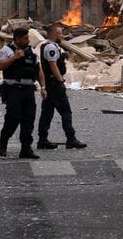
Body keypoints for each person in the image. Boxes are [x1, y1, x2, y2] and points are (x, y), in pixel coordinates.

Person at [37, 22, 87, 150]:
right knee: (66, 112)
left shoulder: (50, 46)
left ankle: (42, 140)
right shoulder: (51, 48)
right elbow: (53, 65)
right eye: (60, 34)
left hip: (49, 84)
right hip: (54, 85)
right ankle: (71, 139)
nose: (62, 36)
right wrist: (60, 81)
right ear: (54, 34)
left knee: (47, 113)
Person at [0, 27, 41, 159]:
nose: (28, 40)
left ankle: (26, 148)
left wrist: (43, 87)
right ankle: (3, 143)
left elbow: (38, 70)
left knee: (28, 119)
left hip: (28, 89)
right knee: (13, 118)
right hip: (13, 89)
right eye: (26, 38)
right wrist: (14, 58)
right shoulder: (7, 50)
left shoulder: (31, 51)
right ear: (18, 39)